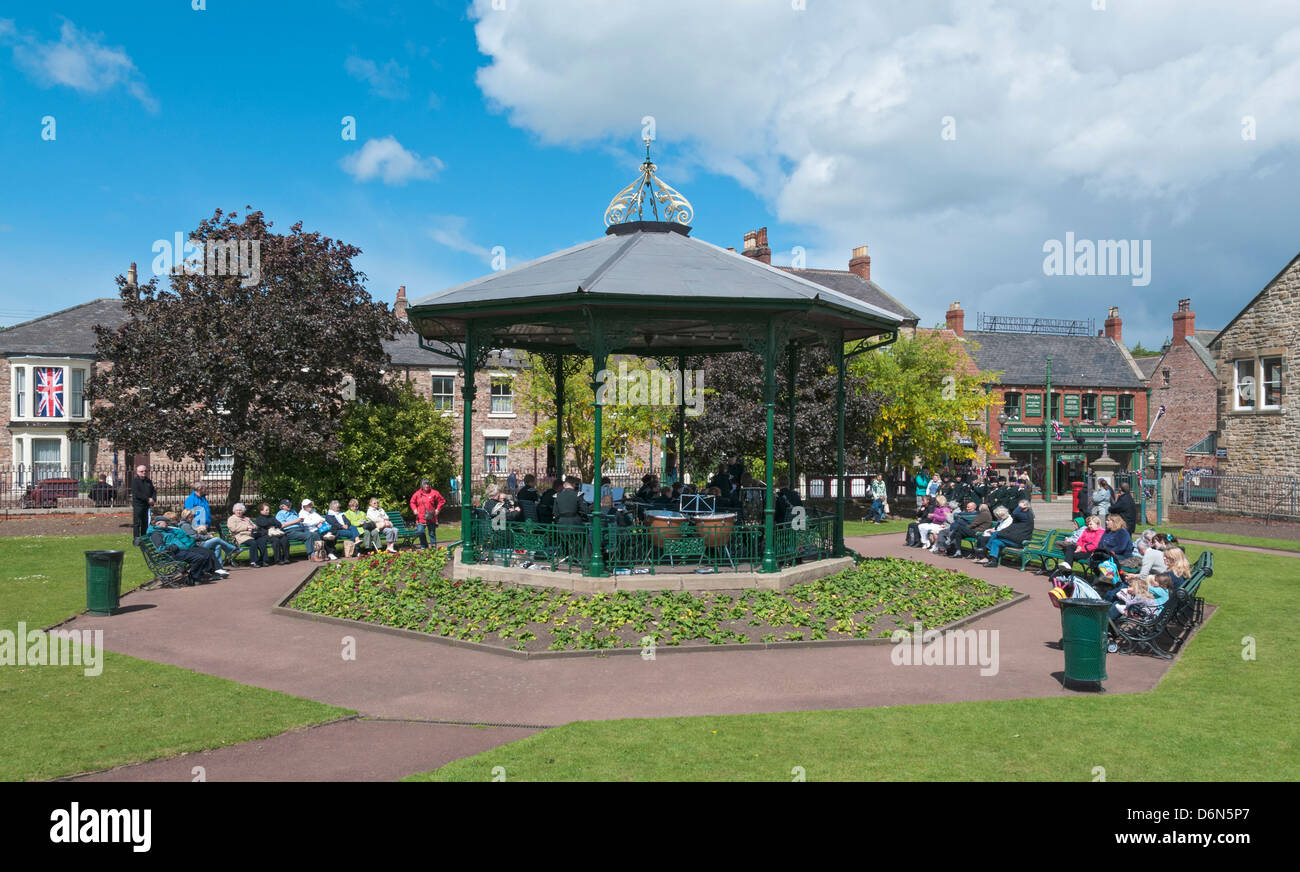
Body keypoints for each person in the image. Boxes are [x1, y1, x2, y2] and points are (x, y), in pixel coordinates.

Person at [145, 515, 224, 584]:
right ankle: (192, 579)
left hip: (182, 550)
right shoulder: (156, 534)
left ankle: (202, 574)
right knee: (199, 557)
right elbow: (161, 549)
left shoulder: (165, 530)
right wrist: (175, 547)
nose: (167, 524)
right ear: (158, 523)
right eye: (165, 522)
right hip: (173, 554)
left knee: (206, 553)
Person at [982, 499, 1035, 567]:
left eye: (1020, 506)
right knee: (996, 542)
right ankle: (993, 561)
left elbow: (1015, 513)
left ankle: (985, 549)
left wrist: (1020, 507)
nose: (1018, 507)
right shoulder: (1021, 516)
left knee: (996, 534)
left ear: (1025, 507)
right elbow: (1013, 521)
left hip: (1020, 541)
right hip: (1015, 539)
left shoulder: (1027, 515)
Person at [226, 502, 268, 568]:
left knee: (261, 541)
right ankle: (253, 562)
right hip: (240, 536)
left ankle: (264, 560)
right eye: (237, 510)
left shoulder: (246, 518)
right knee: (253, 543)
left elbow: (254, 525)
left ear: (243, 511)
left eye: (240, 510)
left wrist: (253, 527)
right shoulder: (232, 519)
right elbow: (233, 529)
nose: (239, 512)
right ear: (234, 511)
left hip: (250, 535)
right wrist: (247, 527)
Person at [409, 478, 446, 549]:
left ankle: (433, 547)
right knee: (420, 531)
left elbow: (442, 501)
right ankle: (424, 546)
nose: (427, 485)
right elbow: (412, 502)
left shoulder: (434, 492)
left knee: (432, 533)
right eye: (425, 484)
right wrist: (414, 509)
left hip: (431, 517)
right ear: (422, 485)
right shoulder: (417, 494)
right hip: (420, 517)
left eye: (428, 484)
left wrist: (438, 509)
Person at [130, 464, 156, 538]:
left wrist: (153, 499)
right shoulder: (135, 481)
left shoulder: (148, 481)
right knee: (137, 523)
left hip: (146, 505)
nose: (144, 472)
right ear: (137, 472)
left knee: (145, 522)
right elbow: (137, 493)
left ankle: (144, 538)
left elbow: (153, 491)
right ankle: (136, 538)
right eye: (141, 471)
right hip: (138, 504)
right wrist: (147, 499)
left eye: (145, 471)